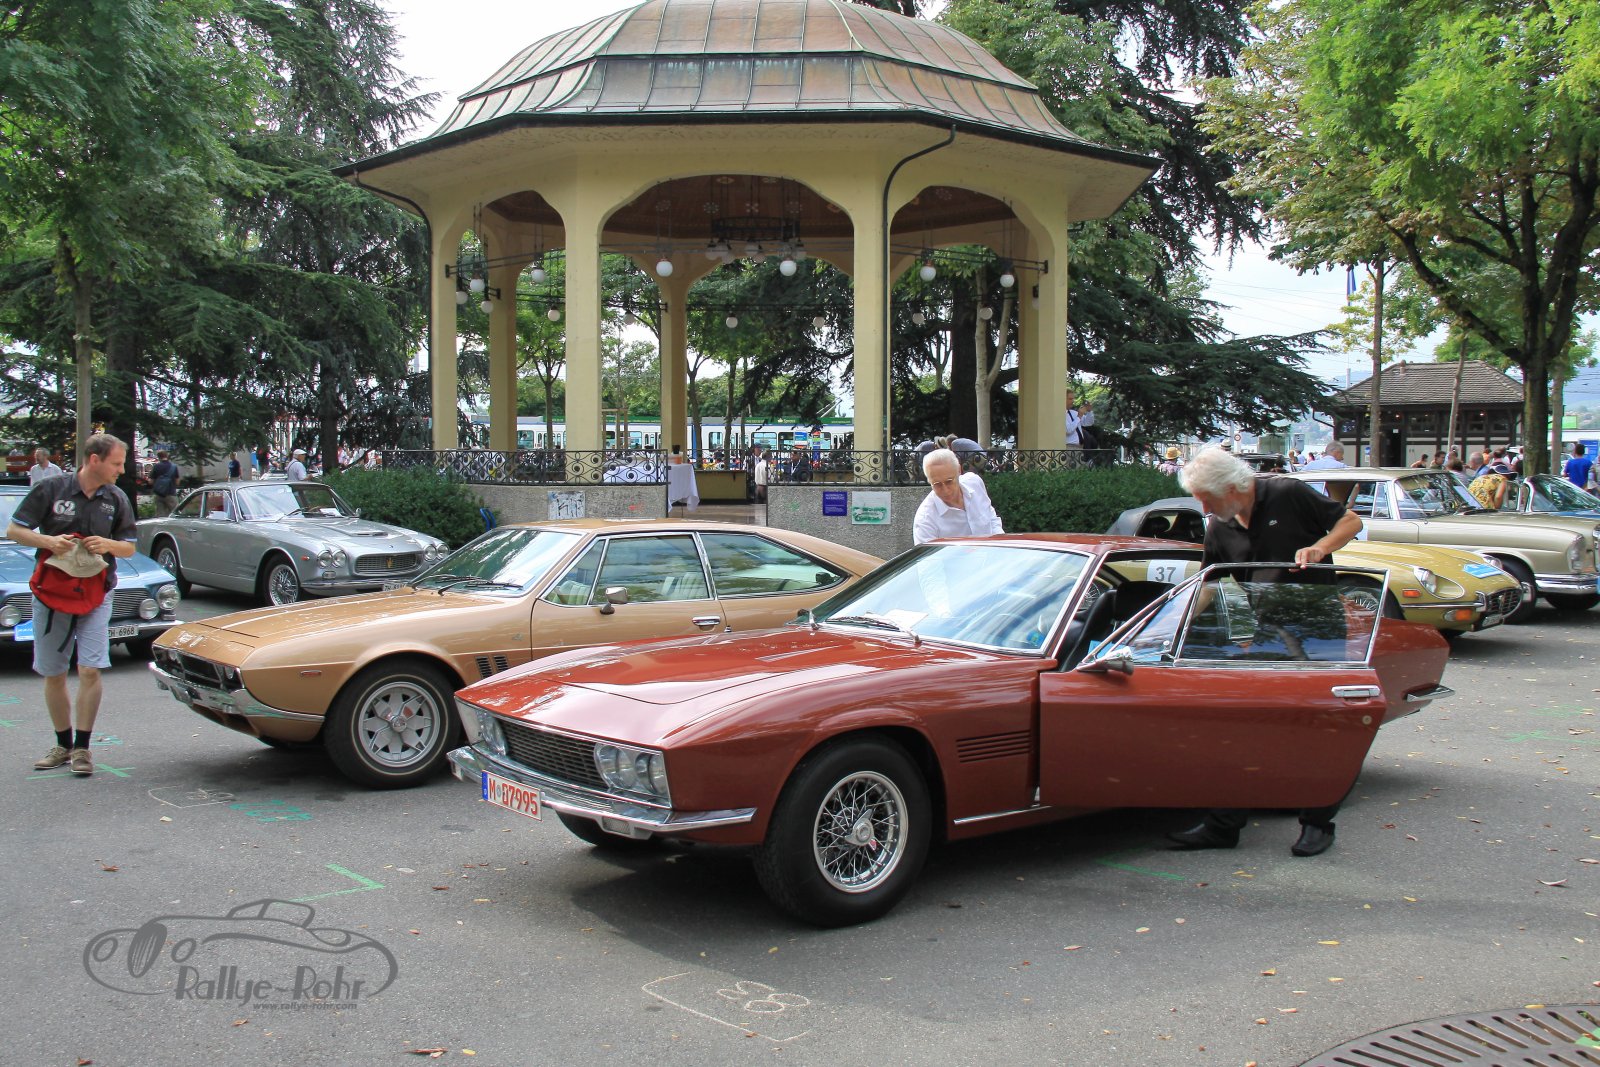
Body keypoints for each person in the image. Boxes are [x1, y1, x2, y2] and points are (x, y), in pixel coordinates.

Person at [1166, 446, 1363, 858]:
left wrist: (1320, 548)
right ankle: (1223, 825)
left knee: (1315, 731)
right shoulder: (1219, 525)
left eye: (1207, 498)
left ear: (1233, 488)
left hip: (1317, 632)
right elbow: (1211, 584)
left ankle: (1317, 824)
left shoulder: (1288, 493)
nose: (1204, 508)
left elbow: (1351, 521)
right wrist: (1169, 628)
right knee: (1241, 726)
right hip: (1265, 635)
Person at [6, 433, 138, 777]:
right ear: (94, 460)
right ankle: (62, 745)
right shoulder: (51, 489)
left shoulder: (116, 498)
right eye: (116, 463)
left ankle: (82, 748)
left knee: (90, 668)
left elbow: (128, 547)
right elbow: (15, 530)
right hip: (52, 592)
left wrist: (107, 544)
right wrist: (48, 541)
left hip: (97, 592)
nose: (121, 470)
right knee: (53, 672)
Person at [912, 446, 1004, 545]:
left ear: (959, 470)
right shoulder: (925, 520)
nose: (945, 490)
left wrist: (1002, 543)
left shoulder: (975, 483)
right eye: (937, 484)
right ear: (929, 481)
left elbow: (991, 518)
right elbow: (930, 555)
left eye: (949, 482)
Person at [149, 450, 180, 516]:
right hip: (171, 493)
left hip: (159, 494)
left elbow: (151, 481)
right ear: (167, 456)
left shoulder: (156, 466)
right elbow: (177, 482)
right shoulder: (173, 466)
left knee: (160, 515)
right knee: (175, 514)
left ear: (158, 457)